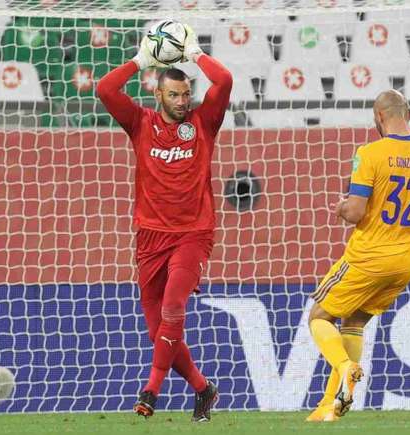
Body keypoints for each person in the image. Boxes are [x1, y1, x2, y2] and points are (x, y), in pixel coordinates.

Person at [306, 90, 410, 422]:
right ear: (408, 114)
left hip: (368, 256)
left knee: (319, 316)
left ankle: (345, 366)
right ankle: (329, 408)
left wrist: (340, 206)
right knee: (354, 322)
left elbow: (354, 212)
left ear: (379, 116)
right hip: (405, 263)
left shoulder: (370, 154)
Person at [96, 25, 232, 422]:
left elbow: (223, 79)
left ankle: (150, 390)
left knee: (174, 306)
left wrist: (194, 53)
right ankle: (204, 389)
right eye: (174, 94)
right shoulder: (139, 123)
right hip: (150, 238)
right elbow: (105, 90)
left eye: (186, 92)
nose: (182, 100)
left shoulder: (204, 122)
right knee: (160, 332)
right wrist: (140, 61)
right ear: (157, 94)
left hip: (193, 233)